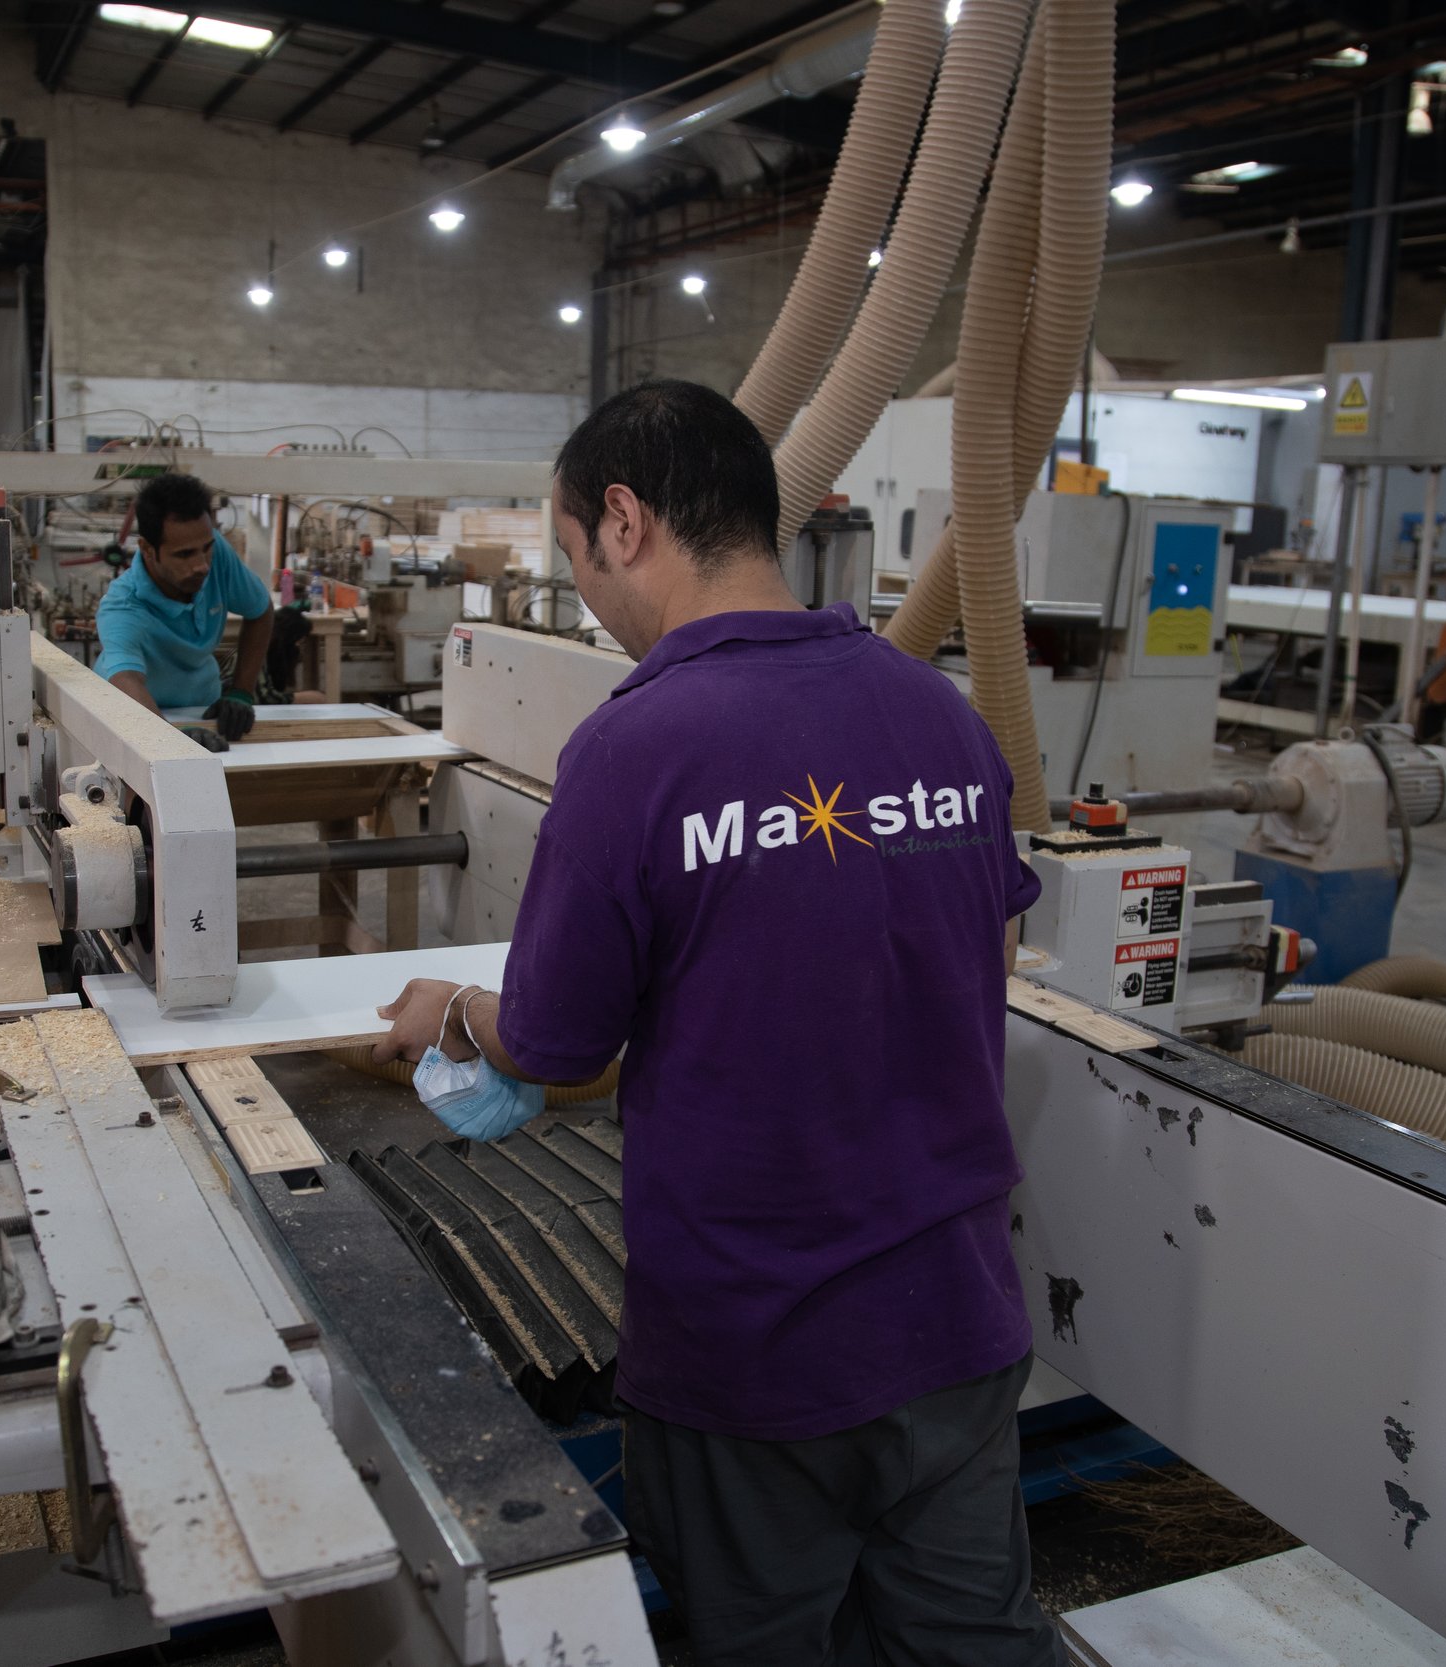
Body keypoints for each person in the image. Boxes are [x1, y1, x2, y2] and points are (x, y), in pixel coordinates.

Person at [374, 380, 1056, 1665]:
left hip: (756, 1346)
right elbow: (991, 952)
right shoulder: (939, 713)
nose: (589, 596)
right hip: (956, 1319)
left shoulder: (637, 746)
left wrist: (452, 1013)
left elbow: (558, 1043)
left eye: (576, 557)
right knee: (971, 1643)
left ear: (624, 520)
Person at [94, 471, 273, 746]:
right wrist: (170, 739)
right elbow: (126, 679)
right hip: (141, 716)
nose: (202, 565)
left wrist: (241, 693)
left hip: (201, 709)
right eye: (184, 554)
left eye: (206, 548)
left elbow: (260, 610)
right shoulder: (123, 606)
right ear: (147, 549)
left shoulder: (216, 553)